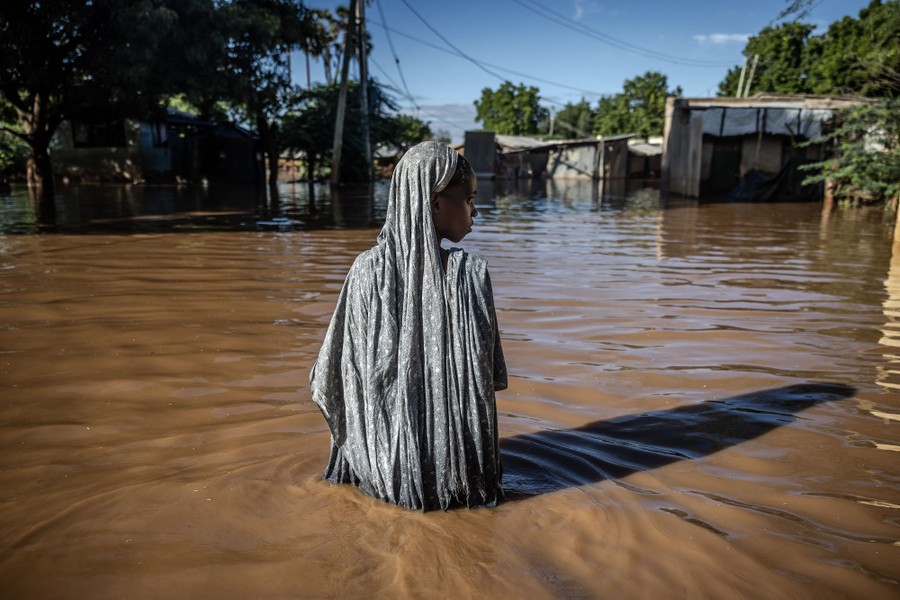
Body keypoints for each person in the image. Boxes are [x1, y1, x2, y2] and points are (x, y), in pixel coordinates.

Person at [309, 141, 507, 511]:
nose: (475, 211)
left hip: (381, 477)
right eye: (468, 199)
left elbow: (331, 377)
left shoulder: (366, 273)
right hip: (463, 483)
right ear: (433, 203)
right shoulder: (469, 273)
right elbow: (489, 379)